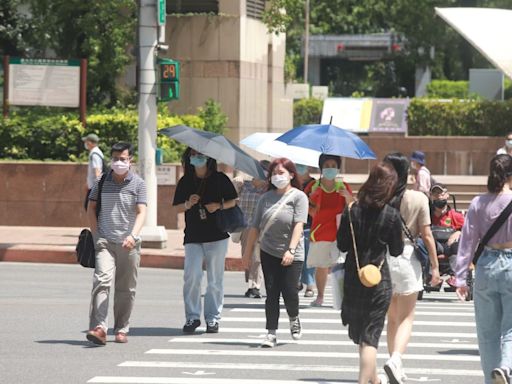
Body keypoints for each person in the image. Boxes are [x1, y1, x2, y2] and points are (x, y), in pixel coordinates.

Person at [337, 162, 404, 384]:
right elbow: (396, 250)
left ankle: (374, 380)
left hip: (354, 278)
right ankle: (364, 381)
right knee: (370, 337)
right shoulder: (391, 215)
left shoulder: (351, 210)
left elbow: (342, 245)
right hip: (378, 279)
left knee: (362, 336)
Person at [383, 152, 441, 384]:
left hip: (383, 258)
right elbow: (426, 235)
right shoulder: (418, 198)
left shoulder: (381, 197)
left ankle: (394, 364)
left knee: (392, 318)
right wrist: (435, 267)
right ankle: (396, 360)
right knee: (407, 317)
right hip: (407, 258)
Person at [455, 154, 512, 384]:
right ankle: (507, 366)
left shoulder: (478, 203)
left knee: (487, 333)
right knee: (511, 328)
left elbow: (467, 242)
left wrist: (460, 278)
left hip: (486, 266)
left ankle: (493, 379)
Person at [241, 158, 308, 348]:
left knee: (290, 292)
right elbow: (254, 227)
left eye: (281, 173)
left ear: (291, 175)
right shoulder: (265, 198)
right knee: (272, 293)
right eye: (274, 173)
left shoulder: (298, 197)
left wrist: (291, 250)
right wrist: (247, 254)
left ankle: (294, 317)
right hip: (268, 250)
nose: (277, 177)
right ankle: (271, 333)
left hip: (292, 253)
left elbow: (298, 225)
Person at [86, 142, 147, 345]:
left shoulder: (138, 183)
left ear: (130, 160)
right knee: (101, 281)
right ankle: (99, 328)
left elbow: (142, 212)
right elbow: (91, 207)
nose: (119, 162)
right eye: (115, 159)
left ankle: (121, 328)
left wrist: (133, 235)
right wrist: (96, 236)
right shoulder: (102, 181)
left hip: (129, 244)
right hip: (105, 242)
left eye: (123, 159)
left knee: (126, 288)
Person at [172, 147, 238, 334]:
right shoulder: (186, 181)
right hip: (193, 235)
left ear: (209, 157)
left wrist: (218, 205)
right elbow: (176, 208)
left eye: (200, 154)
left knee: (215, 280)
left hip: (217, 235)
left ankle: (212, 318)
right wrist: (188, 204)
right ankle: (192, 317)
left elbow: (234, 200)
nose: (197, 158)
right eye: (193, 155)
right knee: (191, 276)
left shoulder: (220, 178)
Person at [305, 154, 353, 306]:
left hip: (340, 233)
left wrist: (348, 198)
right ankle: (320, 296)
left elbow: (353, 207)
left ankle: (342, 297)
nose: (330, 168)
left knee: (341, 266)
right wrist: (312, 206)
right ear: (321, 168)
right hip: (320, 232)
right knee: (322, 266)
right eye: (327, 165)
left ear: (338, 168)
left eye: (333, 165)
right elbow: (305, 206)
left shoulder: (343, 186)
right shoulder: (313, 186)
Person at [232, 161, 269, 299]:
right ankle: (251, 283)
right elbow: (231, 193)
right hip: (244, 227)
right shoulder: (244, 185)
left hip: (261, 227)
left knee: (256, 257)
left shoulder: (268, 190)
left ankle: (255, 286)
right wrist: (237, 178)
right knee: (246, 257)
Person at [296, 163, 316, 297]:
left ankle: (310, 285)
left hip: (310, 224)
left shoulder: (315, 184)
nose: (299, 168)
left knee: (309, 256)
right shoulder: (293, 183)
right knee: (296, 255)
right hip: (295, 224)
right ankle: (296, 281)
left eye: (302, 166)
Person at [83, 133, 104, 210]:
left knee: (90, 208)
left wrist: (97, 188)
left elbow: (97, 171)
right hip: (92, 186)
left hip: (94, 188)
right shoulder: (95, 152)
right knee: (90, 208)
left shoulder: (95, 154)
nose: (85, 144)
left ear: (90, 142)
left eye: (86, 142)